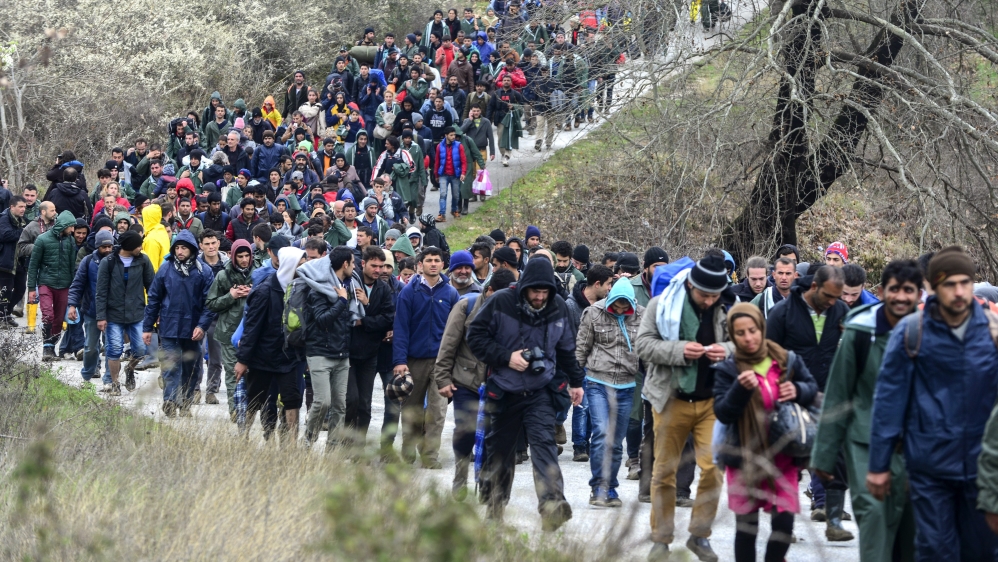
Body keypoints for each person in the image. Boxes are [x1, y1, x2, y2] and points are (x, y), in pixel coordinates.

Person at [869, 247, 998, 561]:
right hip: (930, 467)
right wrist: (878, 464)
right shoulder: (912, 333)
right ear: (933, 287)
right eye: (949, 284)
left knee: (981, 553)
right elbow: (889, 401)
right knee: (936, 551)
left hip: (981, 469)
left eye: (965, 283)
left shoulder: (992, 334)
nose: (958, 292)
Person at [812, 260, 921, 561]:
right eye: (894, 289)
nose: (900, 297)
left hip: (917, 447)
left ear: (919, 294)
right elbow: (838, 394)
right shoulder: (861, 330)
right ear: (882, 292)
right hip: (865, 443)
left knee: (913, 533)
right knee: (874, 519)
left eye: (908, 290)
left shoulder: (930, 333)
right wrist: (824, 455)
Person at [467, 257, 585, 530]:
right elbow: (475, 336)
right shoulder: (499, 302)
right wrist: (506, 357)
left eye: (545, 292)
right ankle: (494, 510)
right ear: (524, 287)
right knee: (499, 454)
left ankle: (552, 505)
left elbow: (567, 349)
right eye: (535, 292)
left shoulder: (557, 307)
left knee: (545, 447)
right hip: (505, 391)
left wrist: (576, 382)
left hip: (540, 390)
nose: (540, 297)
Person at [636, 254, 734, 562]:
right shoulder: (660, 305)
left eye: (714, 295)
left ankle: (699, 536)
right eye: (703, 294)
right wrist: (679, 350)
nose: (708, 300)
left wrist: (726, 350)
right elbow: (643, 346)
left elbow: (744, 344)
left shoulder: (725, 310)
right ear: (690, 284)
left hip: (711, 402)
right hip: (670, 399)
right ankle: (661, 539)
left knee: (713, 470)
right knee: (664, 472)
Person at [712, 303, 819, 562]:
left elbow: (812, 387)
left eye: (753, 330)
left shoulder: (786, 359)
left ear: (762, 328)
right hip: (743, 456)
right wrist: (739, 389)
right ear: (732, 336)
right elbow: (723, 413)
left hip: (783, 456)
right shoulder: (728, 369)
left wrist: (798, 390)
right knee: (747, 529)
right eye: (740, 333)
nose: (748, 338)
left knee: (784, 526)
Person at [766, 265, 850, 533]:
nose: (833, 302)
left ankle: (832, 518)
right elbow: (768, 357)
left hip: (829, 394)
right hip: (790, 395)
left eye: (838, 298)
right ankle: (782, 527)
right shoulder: (782, 312)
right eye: (829, 296)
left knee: (836, 457)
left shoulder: (840, 311)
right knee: (787, 462)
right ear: (814, 287)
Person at [435, 267, 515, 498]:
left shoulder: (512, 311)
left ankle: (486, 483)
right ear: (489, 291)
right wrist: (442, 379)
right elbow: (448, 344)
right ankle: (460, 476)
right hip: (466, 382)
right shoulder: (466, 307)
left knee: (493, 435)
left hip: (498, 383)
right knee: (466, 431)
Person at [575, 277, 644, 506]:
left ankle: (611, 487)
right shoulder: (593, 313)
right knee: (602, 433)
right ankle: (598, 487)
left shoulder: (641, 316)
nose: (622, 309)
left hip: (626, 386)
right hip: (598, 383)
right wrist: (574, 381)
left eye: (626, 305)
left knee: (615, 442)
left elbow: (647, 351)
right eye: (618, 304)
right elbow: (581, 348)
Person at [392, 246, 459, 467]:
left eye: (437, 260)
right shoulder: (409, 292)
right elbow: (401, 328)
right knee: (412, 409)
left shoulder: (450, 293)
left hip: (442, 363)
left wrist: (455, 362)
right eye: (428, 260)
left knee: (438, 411)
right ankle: (409, 450)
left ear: (442, 264)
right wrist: (400, 361)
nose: (433, 264)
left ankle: (430, 456)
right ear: (420, 265)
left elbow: (457, 330)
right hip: (414, 360)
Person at [235, 246, 306, 443]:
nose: (303, 268)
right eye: (299, 265)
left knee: (292, 399)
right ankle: (243, 437)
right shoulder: (264, 291)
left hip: (290, 357)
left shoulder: (300, 290)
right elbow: (251, 328)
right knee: (255, 399)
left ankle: (291, 443)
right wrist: (243, 360)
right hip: (263, 357)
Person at [143, 230, 216, 417]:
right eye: (177, 247)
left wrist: (202, 326)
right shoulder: (165, 269)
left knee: (191, 368)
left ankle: (185, 403)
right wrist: (147, 327)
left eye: (184, 247)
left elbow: (210, 303)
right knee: (170, 365)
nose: (180, 251)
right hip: (169, 327)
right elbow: (154, 298)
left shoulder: (204, 272)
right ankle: (170, 400)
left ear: (192, 249)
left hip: (194, 329)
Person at [296, 246, 360, 447]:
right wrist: (342, 300)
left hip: (342, 354)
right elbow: (323, 320)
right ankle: (309, 439)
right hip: (320, 353)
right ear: (345, 264)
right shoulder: (319, 288)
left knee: (340, 405)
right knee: (323, 402)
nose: (355, 266)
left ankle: (332, 449)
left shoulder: (349, 286)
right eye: (353, 262)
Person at [344, 246, 394, 445]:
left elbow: (388, 319)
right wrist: (371, 318)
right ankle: (345, 440)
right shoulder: (350, 284)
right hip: (347, 352)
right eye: (374, 265)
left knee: (365, 404)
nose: (378, 270)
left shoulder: (383, 288)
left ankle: (359, 444)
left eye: (381, 266)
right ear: (363, 264)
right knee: (350, 400)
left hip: (370, 353)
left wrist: (365, 315)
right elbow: (345, 316)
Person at [94, 230, 154, 394]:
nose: (140, 248)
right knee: (113, 349)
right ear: (129, 246)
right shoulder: (109, 262)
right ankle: (115, 384)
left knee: (141, 350)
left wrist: (156, 312)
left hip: (137, 313)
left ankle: (130, 369)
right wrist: (101, 316)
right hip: (114, 314)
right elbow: (101, 291)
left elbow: (152, 288)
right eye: (138, 245)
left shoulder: (143, 260)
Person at [67, 230, 115, 389]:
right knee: (90, 347)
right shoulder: (87, 262)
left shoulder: (117, 261)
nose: (108, 249)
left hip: (112, 313)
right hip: (91, 312)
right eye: (104, 247)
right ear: (97, 246)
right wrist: (72, 305)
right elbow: (77, 285)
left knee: (111, 347)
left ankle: (109, 380)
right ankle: (87, 375)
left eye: (110, 246)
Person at [27, 210, 78, 361]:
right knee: (48, 315)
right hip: (46, 283)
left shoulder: (70, 241)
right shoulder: (42, 240)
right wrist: (31, 288)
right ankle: (46, 348)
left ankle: (51, 346)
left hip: (64, 285)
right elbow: (33, 265)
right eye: (71, 227)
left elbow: (71, 265)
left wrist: (73, 288)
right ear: (64, 225)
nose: (73, 230)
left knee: (58, 319)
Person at [0, 195, 27, 325]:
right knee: (5, 291)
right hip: (6, 261)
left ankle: (7, 313)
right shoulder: (4, 219)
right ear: (12, 207)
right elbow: (5, 235)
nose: (23, 209)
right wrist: (23, 232)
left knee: (21, 289)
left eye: (24, 207)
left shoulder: (23, 220)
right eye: (20, 207)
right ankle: (3, 316)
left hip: (19, 262)